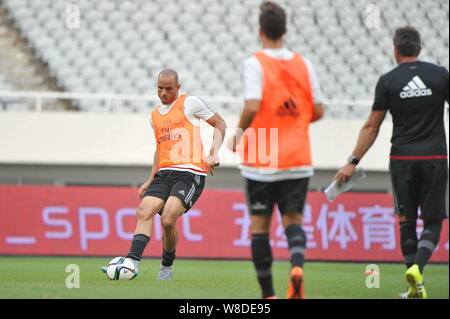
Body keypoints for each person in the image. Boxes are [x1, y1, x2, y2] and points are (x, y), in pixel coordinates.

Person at [333, 26, 449, 299]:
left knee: (406, 219)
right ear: (419, 48)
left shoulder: (388, 81)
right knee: (433, 219)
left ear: (395, 50)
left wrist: (352, 161)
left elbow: (372, 126)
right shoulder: (441, 76)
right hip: (435, 157)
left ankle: (414, 282)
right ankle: (417, 271)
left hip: (401, 159)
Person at [228, 2, 324, 299]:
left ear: (260, 32)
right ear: (285, 30)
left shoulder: (254, 63)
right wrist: (292, 122)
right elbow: (318, 110)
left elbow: (254, 104)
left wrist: (239, 132)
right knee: (293, 222)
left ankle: (268, 295)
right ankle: (296, 267)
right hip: (297, 157)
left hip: (262, 159)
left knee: (260, 228)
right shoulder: (303, 63)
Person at [103, 69, 227, 280]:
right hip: (164, 173)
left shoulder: (190, 103)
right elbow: (160, 149)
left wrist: (213, 152)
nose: (163, 93)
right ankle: (132, 261)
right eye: (160, 88)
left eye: (168, 89)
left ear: (178, 87)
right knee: (144, 209)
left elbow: (220, 123)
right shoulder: (154, 116)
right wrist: (150, 179)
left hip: (190, 173)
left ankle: (166, 266)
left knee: (168, 219)